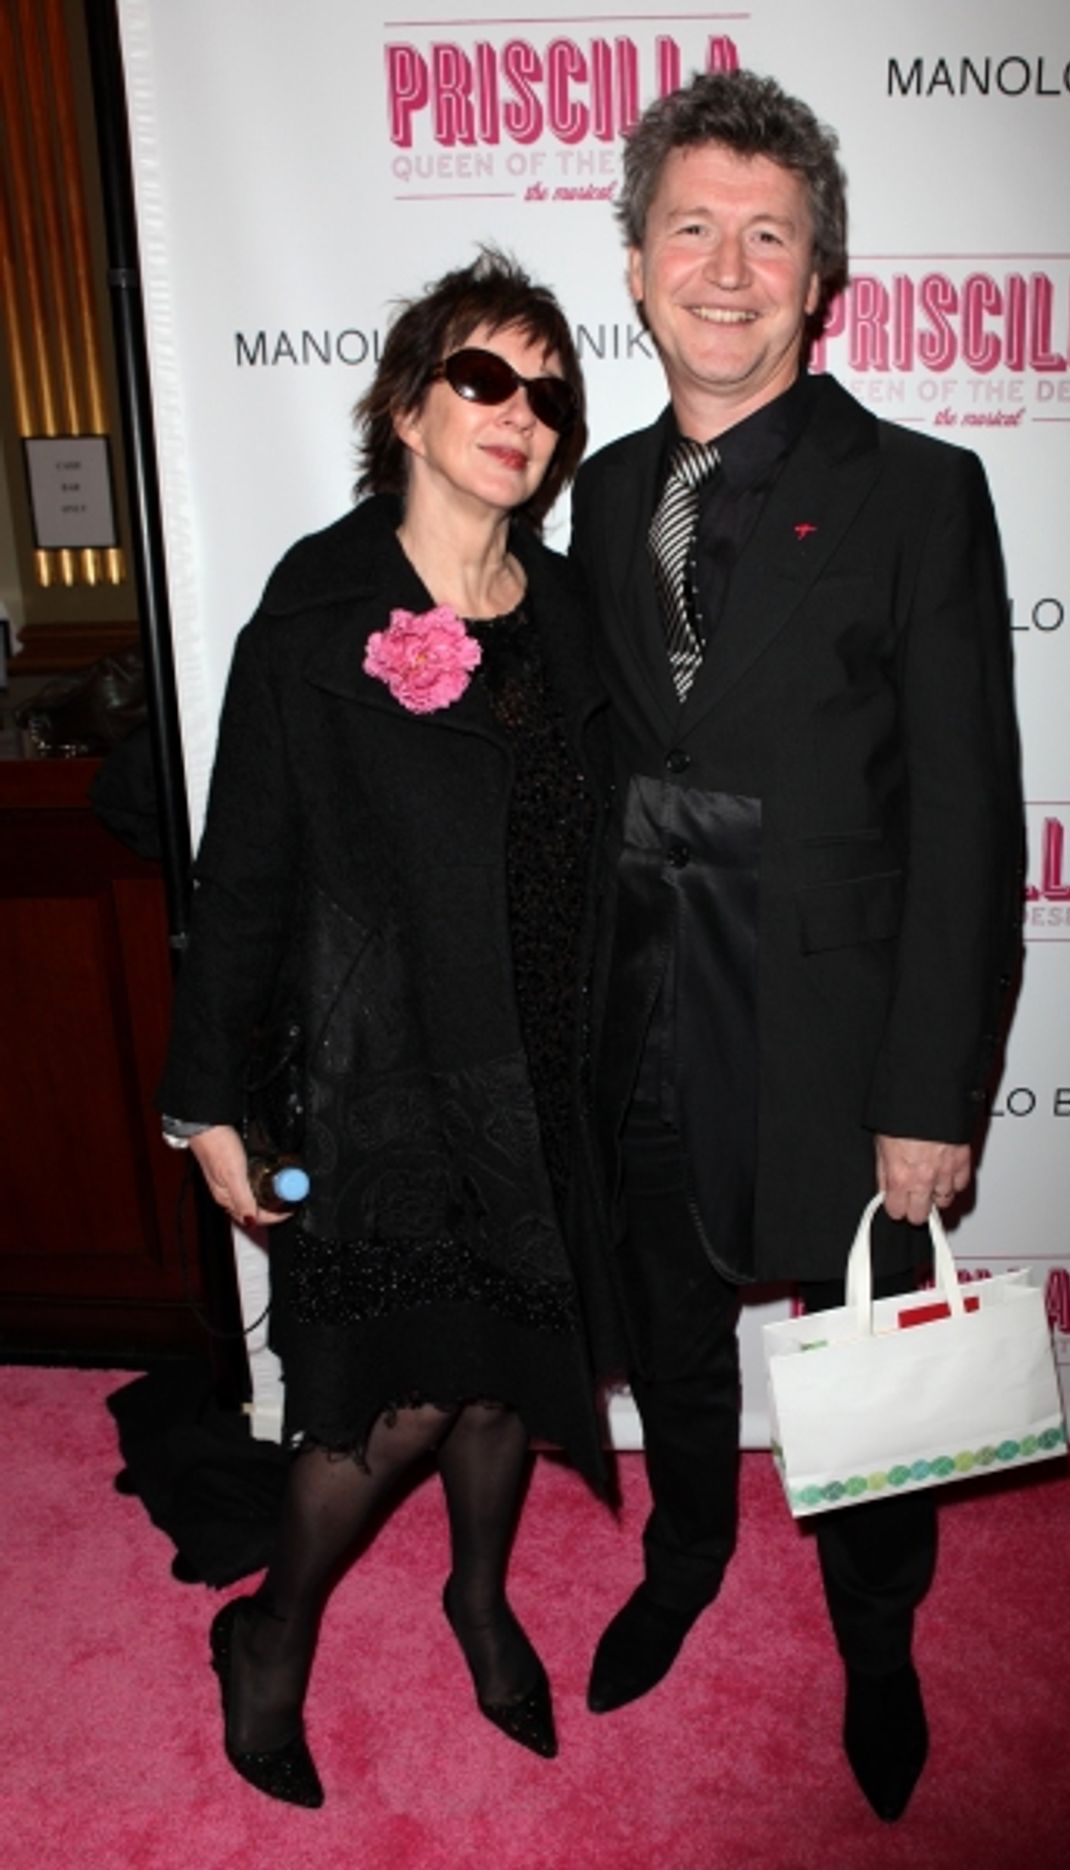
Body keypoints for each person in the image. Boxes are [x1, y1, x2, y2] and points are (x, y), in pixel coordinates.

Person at [570, 70, 1023, 1822]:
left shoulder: (920, 490)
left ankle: (879, 1633)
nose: (729, 266)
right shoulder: (602, 496)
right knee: (676, 1340)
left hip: (840, 1032)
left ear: (822, 276)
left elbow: (973, 819)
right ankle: (684, 1554)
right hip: (649, 1012)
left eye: (770, 233)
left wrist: (935, 1091)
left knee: (872, 1374)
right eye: (693, 227)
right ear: (635, 265)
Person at [158, 251, 612, 1809]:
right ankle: (269, 1632)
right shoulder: (322, 604)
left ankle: (478, 1596)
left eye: (548, 393)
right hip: (391, 1081)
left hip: (543, 1073)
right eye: (485, 378)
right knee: (398, 1395)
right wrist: (212, 1101)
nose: (521, 415)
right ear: (411, 404)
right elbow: (249, 864)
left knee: (503, 1378)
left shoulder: (561, 609)